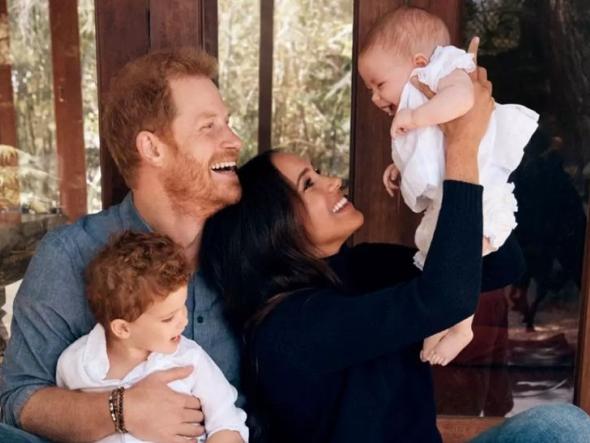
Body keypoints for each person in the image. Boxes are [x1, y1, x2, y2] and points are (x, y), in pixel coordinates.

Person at [199, 62, 590, 441]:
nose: (333, 182)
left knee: (562, 426)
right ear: (271, 229)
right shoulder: (289, 328)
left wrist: (441, 174)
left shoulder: (363, 266)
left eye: (318, 172)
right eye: (309, 184)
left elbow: (501, 266)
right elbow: (444, 300)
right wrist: (461, 148)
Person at [0, 48, 243, 442]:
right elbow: (16, 399)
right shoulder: (69, 256)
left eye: (228, 123)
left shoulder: (245, 246)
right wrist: (121, 409)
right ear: (152, 148)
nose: (233, 139)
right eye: (209, 126)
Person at [357, 6, 539, 366]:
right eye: (369, 90)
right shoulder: (419, 98)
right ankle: (442, 321)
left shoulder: (447, 71)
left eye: (379, 85)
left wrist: (416, 116)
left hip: (481, 191)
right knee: (437, 255)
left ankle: (461, 327)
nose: (376, 98)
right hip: (453, 193)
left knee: (460, 256)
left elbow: (463, 101)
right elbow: (430, 150)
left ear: (420, 62)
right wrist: (399, 167)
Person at [56, 231, 248, 443]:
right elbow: (63, 425)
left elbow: (226, 420)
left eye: (183, 307)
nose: (183, 321)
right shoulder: (75, 364)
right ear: (122, 329)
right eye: (168, 318)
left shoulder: (189, 360)